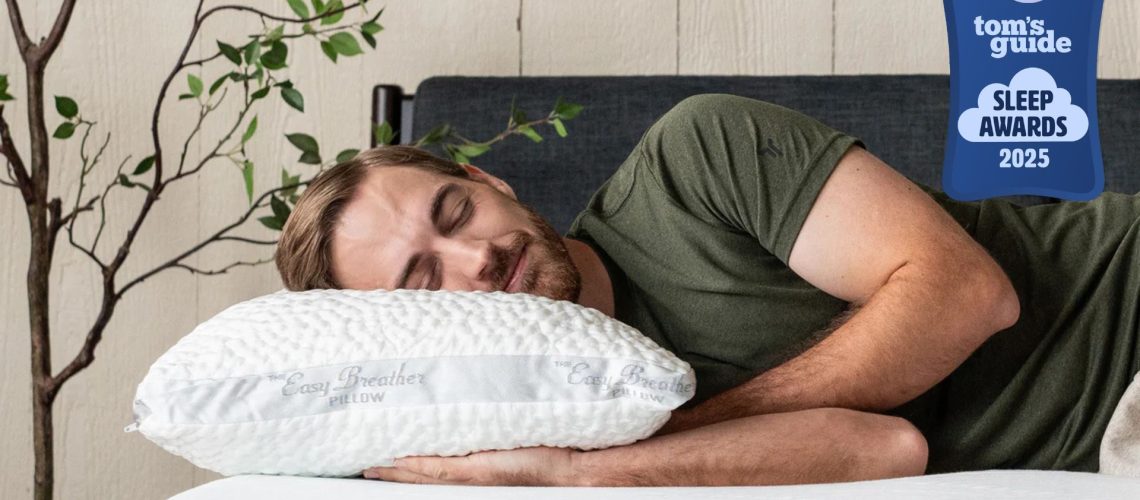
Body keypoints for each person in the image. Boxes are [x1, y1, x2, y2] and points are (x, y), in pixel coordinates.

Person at [274, 94, 1140, 486]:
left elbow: (967, 294)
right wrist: (576, 479)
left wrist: (632, 452)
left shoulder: (694, 159)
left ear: (486, 178)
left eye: (455, 211)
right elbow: (886, 450)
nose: (475, 260)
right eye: (425, 280)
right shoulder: (499, 423)